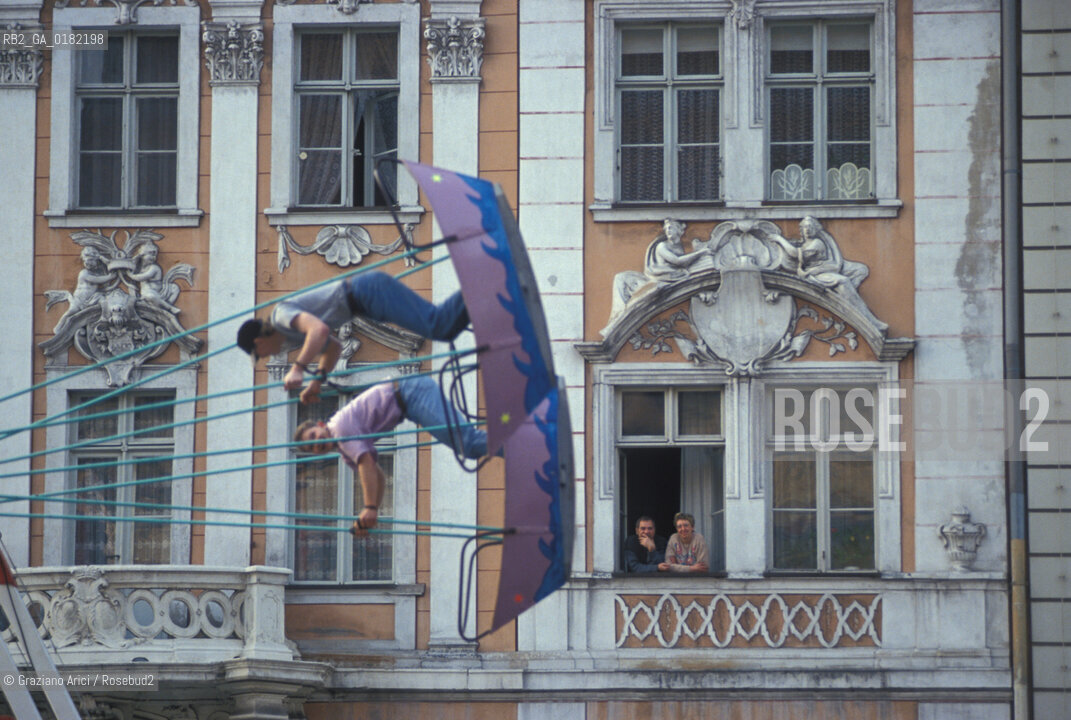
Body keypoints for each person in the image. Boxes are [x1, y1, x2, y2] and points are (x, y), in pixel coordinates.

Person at [294, 374, 490, 535]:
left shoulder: (339, 429)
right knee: (467, 445)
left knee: (467, 443)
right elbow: (377, 474)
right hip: (409, 398)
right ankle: (511, 442)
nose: (316, 444)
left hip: (410, 392)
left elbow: (366, 463)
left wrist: (369, 508)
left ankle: (513, 443)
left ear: (320, 425)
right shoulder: (344, 450)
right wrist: (372, 512)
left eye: (313, 436)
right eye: (311, 447)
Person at [237, 272, 470, 403]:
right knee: (444, 327)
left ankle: (481, 279)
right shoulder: (291, 334)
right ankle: (481, 293)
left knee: (437, 325)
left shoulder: (280, 316)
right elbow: (333, 349)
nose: (269, 357)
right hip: (367, 302)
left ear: (259, 342)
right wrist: (317, 383)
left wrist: (298, 367)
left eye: (261, 355)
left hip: (367, 293)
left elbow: (319, 331)